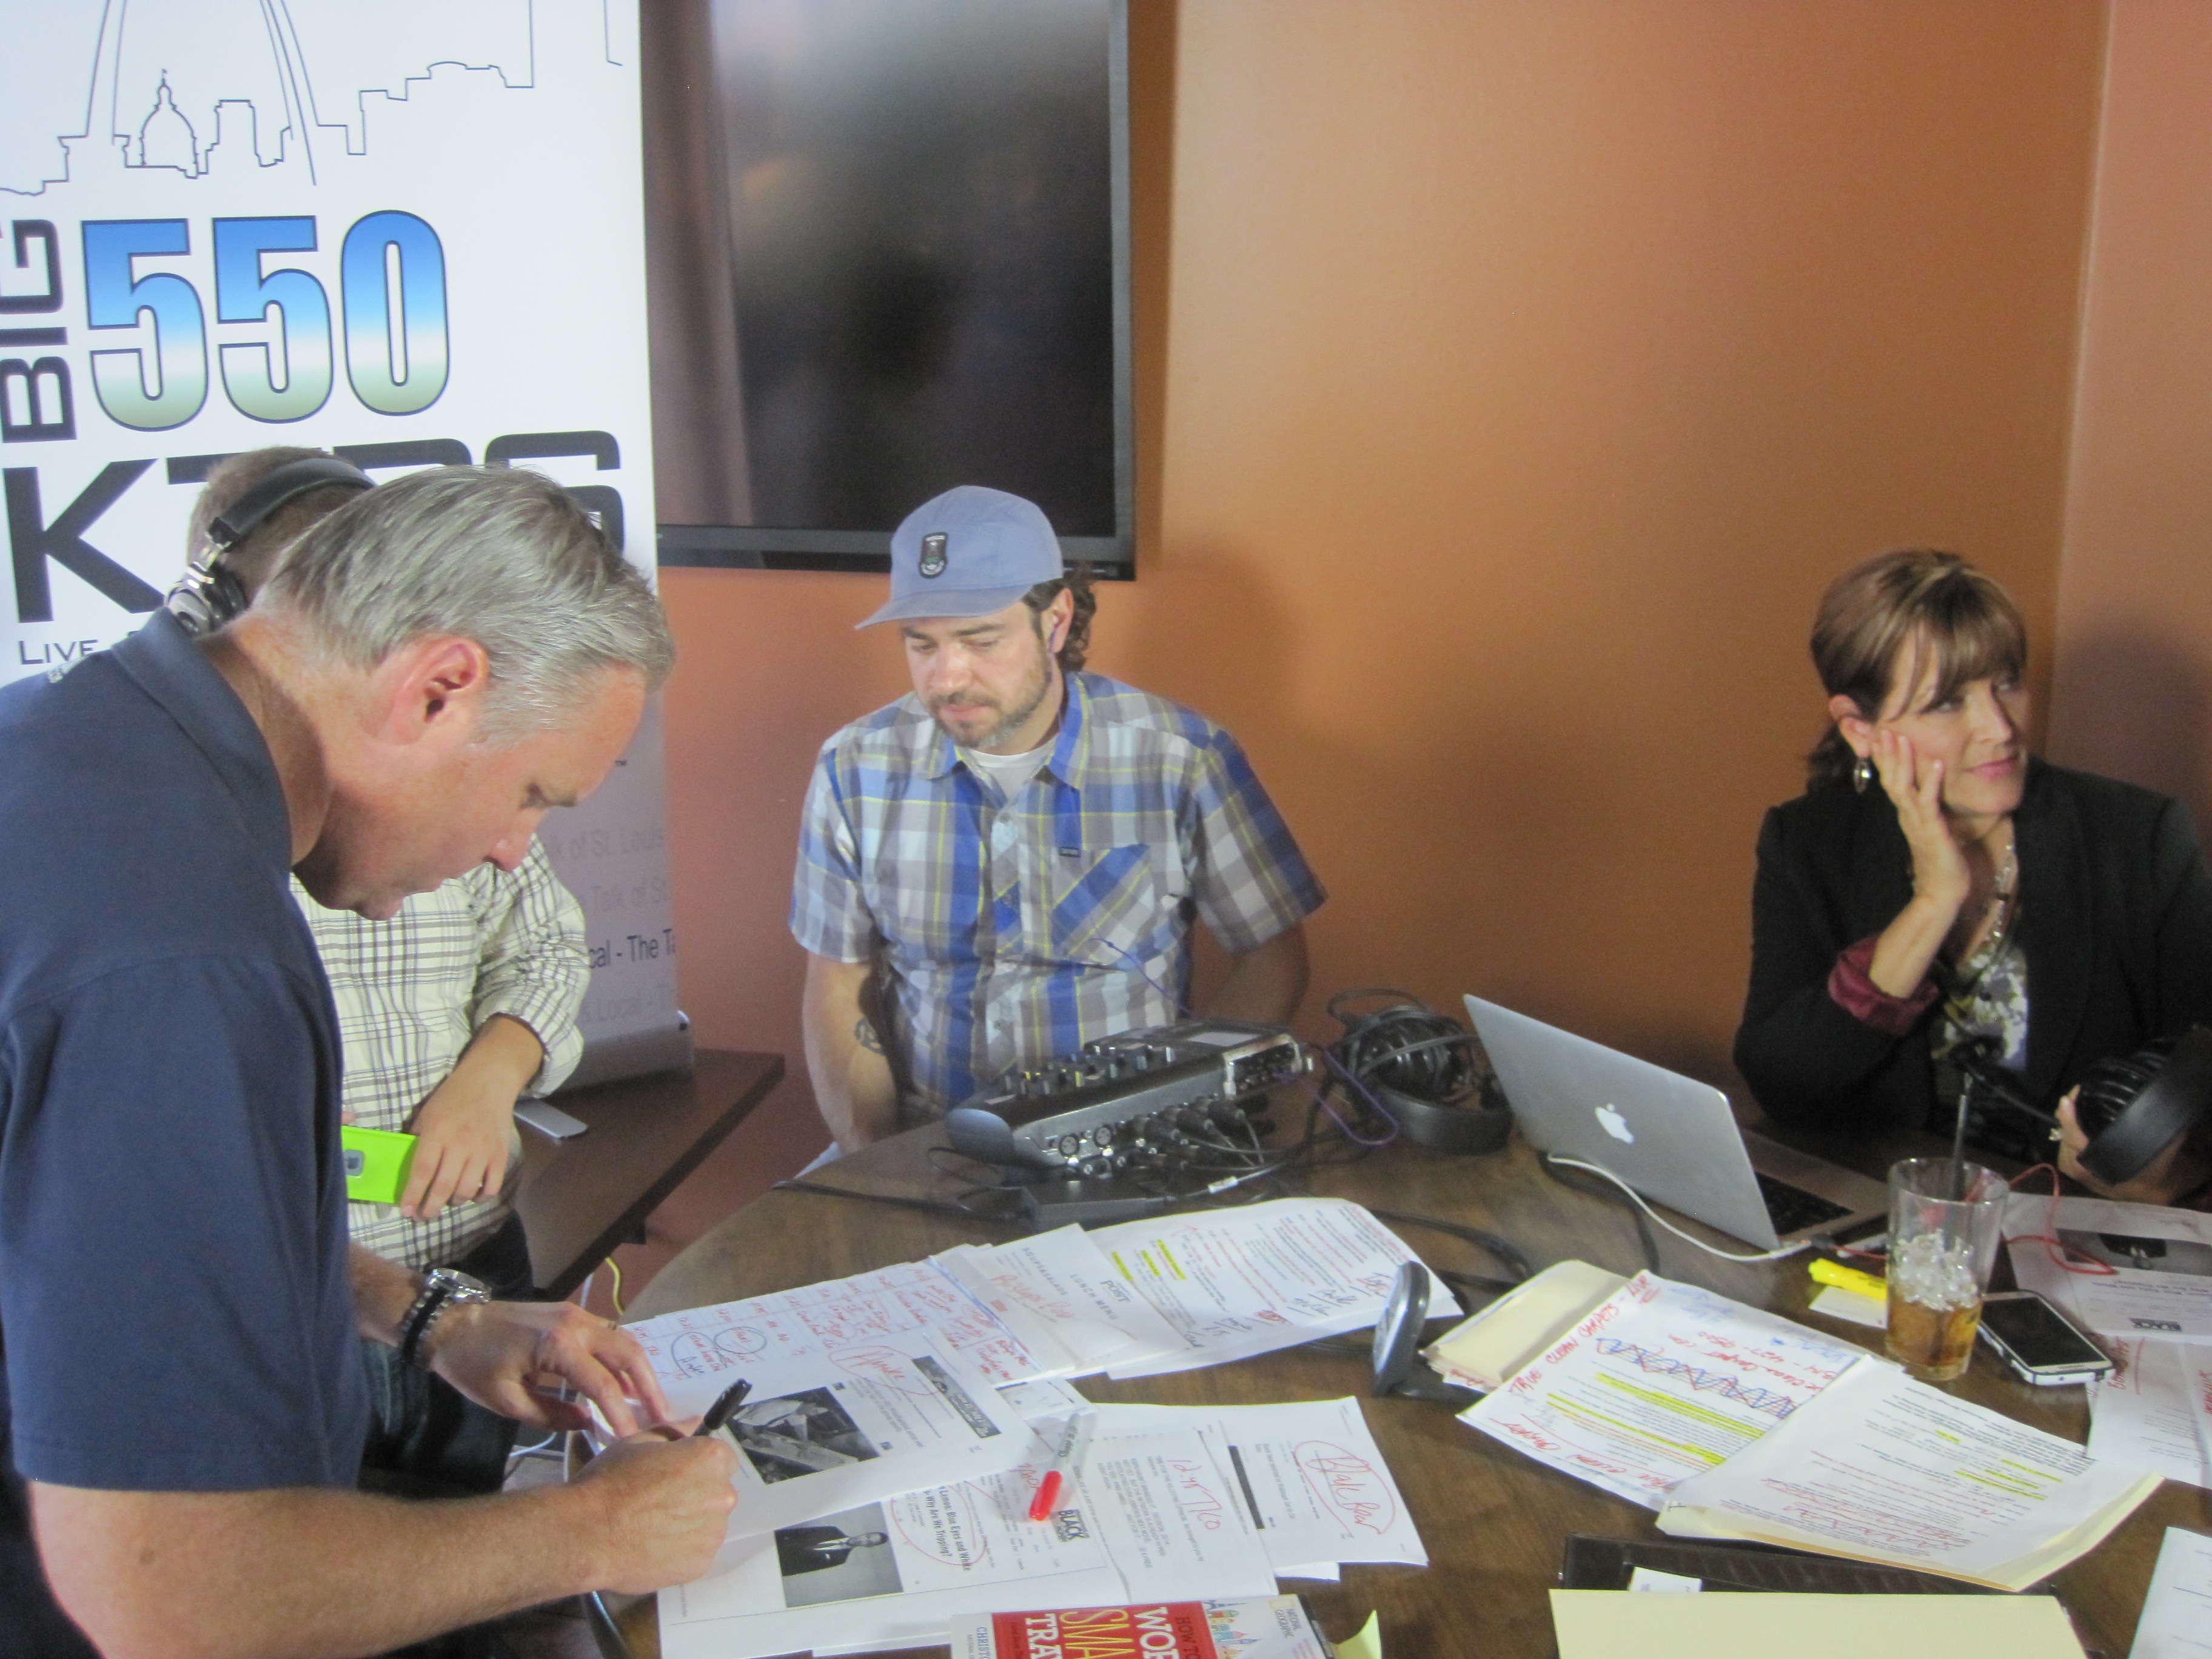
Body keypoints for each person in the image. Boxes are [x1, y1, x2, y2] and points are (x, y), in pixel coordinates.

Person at [1, 466, 738, 1657]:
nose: (513, 853)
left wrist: (433, 1318)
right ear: (438, 689)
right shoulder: (181, 951)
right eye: (532, 795)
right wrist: (595, 1530)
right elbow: (172, 1598)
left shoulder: (79, 738)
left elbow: (131, 1243)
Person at [173, 449, 597, 1498]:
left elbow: (546, 946)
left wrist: (489, 1078)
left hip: (467, 1266)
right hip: (296, 1306)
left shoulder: (468, 780)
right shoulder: (165, 839)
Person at [791, 486, 1324, 1153]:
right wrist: (875, 1163)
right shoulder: (854, 768)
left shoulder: (1181, 759)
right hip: (925, 1136)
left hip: (1131, 1136)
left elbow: (1273, 957)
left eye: (980, 640)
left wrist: (1180, 1107)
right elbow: (837, 980)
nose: (947, 678)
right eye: (921, 645)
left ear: (1056, 621)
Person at [1734, 548, 2212, 1184]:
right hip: (1882, 1211)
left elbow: (2200, 1069)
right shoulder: (1809, 842)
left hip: (2072, 1216)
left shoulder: (2138, 838)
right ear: (1860, 729)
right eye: (1947, 703)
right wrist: (1934, 901)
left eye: (2006, 683)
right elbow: (1783, 1084)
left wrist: (2153, 1163)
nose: (1999, 728)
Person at [775, 1526, 891, 1577]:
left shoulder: (839, 1559)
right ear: (865, 1534)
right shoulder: (831, 1530)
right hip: (775, 1545)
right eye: (868, 1537)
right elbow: (792, 1533)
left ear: (869, 1546)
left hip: (778, 1565)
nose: (864, 1540)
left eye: (869, 1542)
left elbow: (801, 1569)